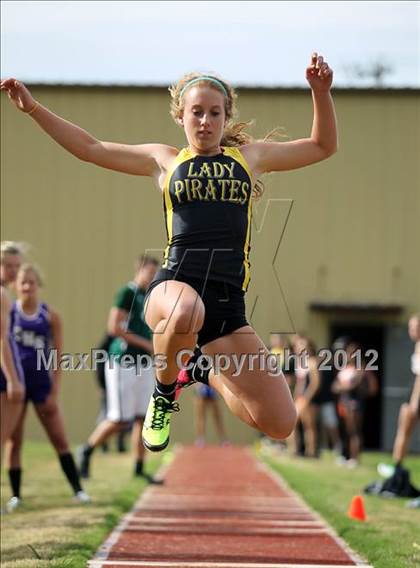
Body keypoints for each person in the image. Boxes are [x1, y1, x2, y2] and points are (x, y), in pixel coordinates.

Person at [1, 52, 337, 452]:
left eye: (215, 113)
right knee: (185, 311)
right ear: (181, 115)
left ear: (226, 117)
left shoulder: (249, 160)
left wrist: (320, 92)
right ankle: (163, 395)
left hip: (227, 306)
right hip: (172, 289)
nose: (205, 122)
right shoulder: (164, 161)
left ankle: (200, 370)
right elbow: (90, 148)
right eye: (197, 112)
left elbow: (321, 146)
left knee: (280, 423)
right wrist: (34, 108)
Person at [4, 264, 90, 511]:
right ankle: (16, 496)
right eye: (23, 282)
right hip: (18, 385)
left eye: (31, 282)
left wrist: (54, 391)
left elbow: (59, 356)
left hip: (42, 385)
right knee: (14, 441)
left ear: (38, 284)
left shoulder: (49, 315)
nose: (27, 286)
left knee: (59, 439)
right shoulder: (10, 313)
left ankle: (79, 490)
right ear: (15, 285)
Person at [77, 255, 162, 482]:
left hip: (144, 364)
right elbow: (114, 327)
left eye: (156, 274)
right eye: (150, 273)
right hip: (122, 361)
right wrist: (148, 345)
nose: (153, 277)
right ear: (140, 270)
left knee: (143, 418)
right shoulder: (127, 292)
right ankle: (86, 450)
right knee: (119, 419)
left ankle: (139, 468)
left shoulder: (150, 297)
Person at [377, 314, 420, 507]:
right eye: (410, 327)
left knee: (405, 428)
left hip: (416, 394)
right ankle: (396, 467)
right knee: (402, 430)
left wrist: (414, 402)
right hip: (413, 390)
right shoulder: (417, 345)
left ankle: (396, 468)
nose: (411, 330)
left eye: (415, 327)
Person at [0, 242, 25, 469]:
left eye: (16, 266)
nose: (13, 271)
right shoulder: (2, 296)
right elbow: (2, 339)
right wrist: (12, 379)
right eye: (7, 265)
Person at [290, 334, 321, 457]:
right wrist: (294, 397)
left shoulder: (312, 362)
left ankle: (311, 452)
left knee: (309, 426)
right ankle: (295, 450)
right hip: (299, 398)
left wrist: (307, 398)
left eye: (303, 345)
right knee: (292, 424)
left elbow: (315, 383)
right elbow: (299, 383)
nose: (299, 348)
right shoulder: (299, 362)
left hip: (309, 399)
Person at [194, 383, 229, 447]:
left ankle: (223, 439)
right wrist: (198, 386)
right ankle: (200, 439)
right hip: (201, 387)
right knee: (201, 416)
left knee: (217, 416)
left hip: (212, 386)